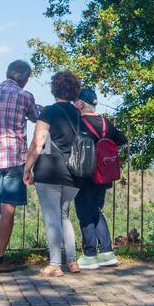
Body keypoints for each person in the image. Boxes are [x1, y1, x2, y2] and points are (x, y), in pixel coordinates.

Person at [23, 70, 86, 276]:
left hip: (49, 171)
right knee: (64, 217)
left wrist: (27, 167)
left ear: (54, 88)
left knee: (52, 219)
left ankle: (55, 264)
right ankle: (72, 262)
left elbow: (38, 142)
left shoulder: (49, 111)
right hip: (74, 174)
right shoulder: (78, 114)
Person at [0, 59, 39, 273]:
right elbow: (36, 117)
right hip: (14, 158)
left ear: (7, 73)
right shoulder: (24, 96)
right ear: (24, 79)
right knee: (8, 208)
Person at [73, 88, 127, 269]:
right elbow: (122, 139)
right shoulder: (105, 123)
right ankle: (106, 252)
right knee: (96, 210)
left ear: (81, 104)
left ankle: (90, 254)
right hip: (104, 175)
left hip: (85, 174)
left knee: (84, 213)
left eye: (76, 102)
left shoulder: (78, 122)